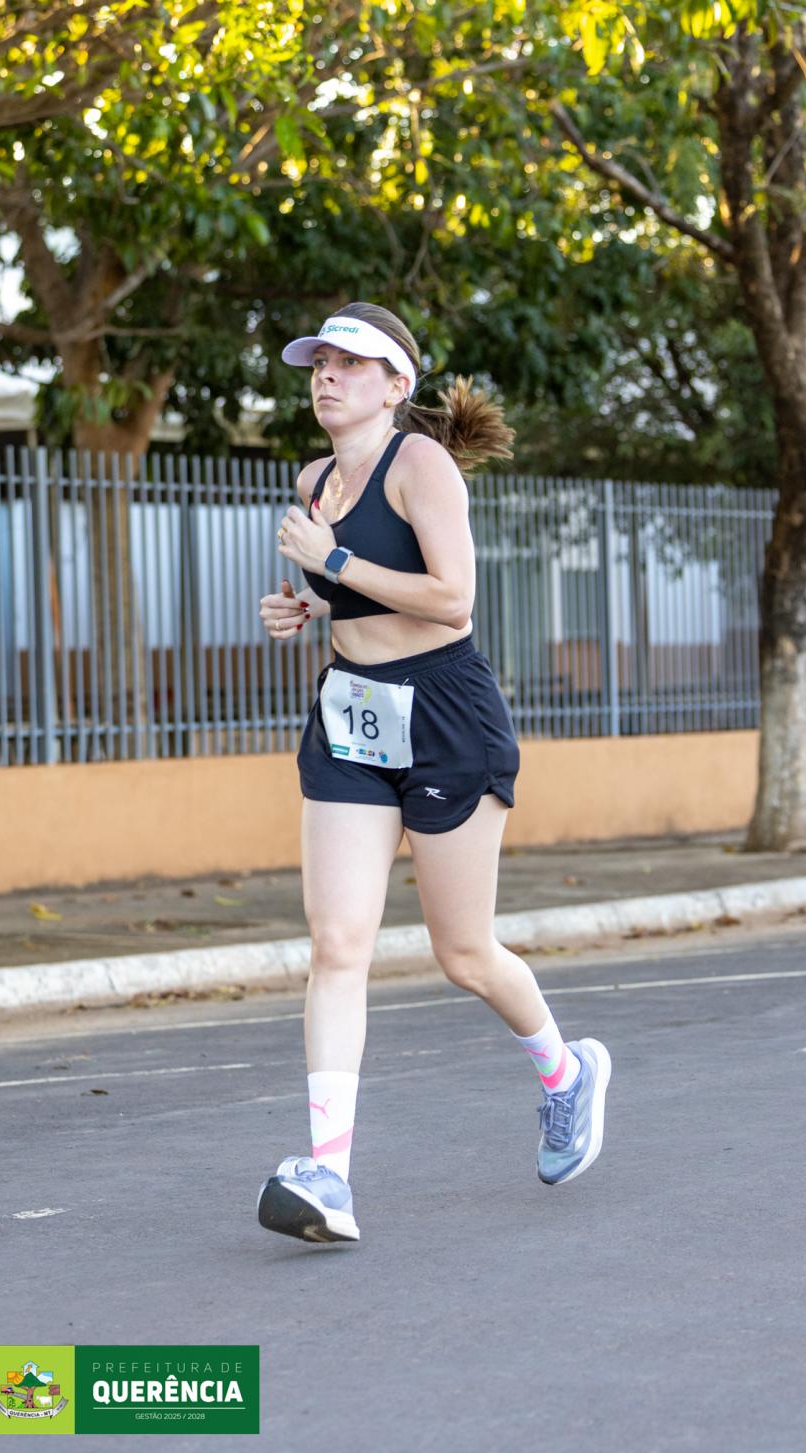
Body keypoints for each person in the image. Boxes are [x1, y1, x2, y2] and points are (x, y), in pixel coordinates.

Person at [256, 303, 610, 1244]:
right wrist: (308, 607)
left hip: (446, 713)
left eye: (349, 364)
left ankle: (566, 1071)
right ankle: (329, 1177)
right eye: (319, 363)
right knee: (338, 944)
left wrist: (334, 560)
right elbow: (358, 597)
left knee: (464, 953)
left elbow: (453, 600)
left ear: (395, 385)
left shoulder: (422, 465)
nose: (327, 376)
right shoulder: (315, 478)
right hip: (353, 716)